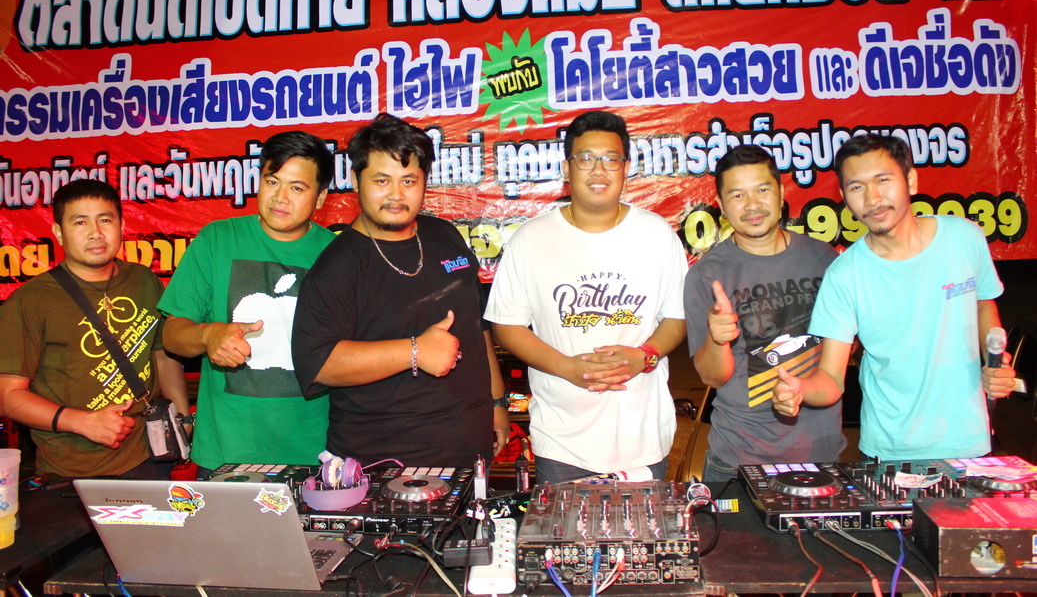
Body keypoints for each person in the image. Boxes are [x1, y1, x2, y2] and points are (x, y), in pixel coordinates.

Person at [773, 135, 1016, 460]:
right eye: (857, 187)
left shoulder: (964, 237)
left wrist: (995, 360)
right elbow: (831, 378)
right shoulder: (844, 275)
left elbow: (983, 303)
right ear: (844, 198)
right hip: (890, 453)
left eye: (883, 180)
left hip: (970, 443)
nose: (872, 198)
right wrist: (800, 389)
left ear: (911, 180)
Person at [292, 113, 508, 468]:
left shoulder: (445, 235)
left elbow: (477, 326)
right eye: (382, 180)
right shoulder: (338, 266)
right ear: (356, 179)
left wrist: (497, 403)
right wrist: (415, 351)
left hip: (470, 449)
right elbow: (319, 363)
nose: (396, 195)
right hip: (384, 463)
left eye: (409, 180)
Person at [485, 111, 687, 484]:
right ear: (567, 168)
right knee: (561, 525)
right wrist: (567, 368)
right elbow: (507, 326)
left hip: (643, 437)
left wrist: (645, 356)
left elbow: (677, 316)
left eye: (611, 159)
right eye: (586, 159)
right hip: (562, 441)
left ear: (626, 168)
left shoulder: (657, 234)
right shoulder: (531, 238)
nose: (599, 170)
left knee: (643, 524)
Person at [160, 131, 335, 475]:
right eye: (272, 181)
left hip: (316, 453)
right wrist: (209, 335)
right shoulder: (216, 239)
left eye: (297, 188)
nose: (280, 197)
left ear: (320, 197)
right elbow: (172, 335)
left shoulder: (337, 255)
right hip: (226, 451)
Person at [0, 180, 189, 479]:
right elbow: (8, 396)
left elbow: (162, 355)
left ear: (122, 226)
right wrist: (81, 422)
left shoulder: (143, 280)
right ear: (58, 233)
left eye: (105, 220)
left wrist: (183, 417)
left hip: (149, 455)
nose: (95, 233)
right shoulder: (30, 301)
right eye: (80, 222)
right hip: (73, 468)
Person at [684, 146, 844, 482]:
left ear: (781, 193)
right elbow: (713, 377)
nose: (752, 205)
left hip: (821, 453)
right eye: (738, 195)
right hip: (737, 459)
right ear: (721, 205)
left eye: (762, 190)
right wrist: (717, 339)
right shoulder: (706, 275)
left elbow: (844, 352)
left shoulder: (824, 259)